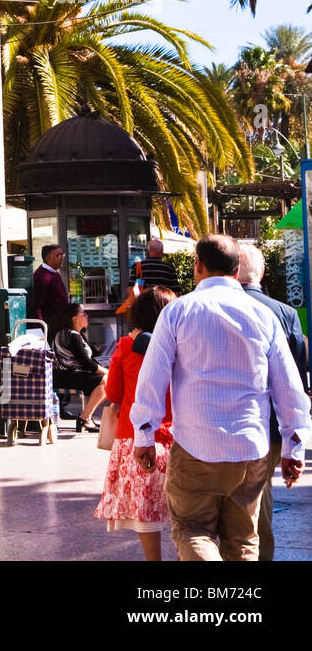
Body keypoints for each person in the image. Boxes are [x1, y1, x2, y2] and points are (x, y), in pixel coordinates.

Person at [131, 234, 311, 561]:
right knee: (243, 540)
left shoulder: (178, 312)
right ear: (237, 266)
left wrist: (144, 435)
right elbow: (290, 388)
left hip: (196, 446)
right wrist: (292, 446)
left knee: (191, 529)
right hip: (251, 448)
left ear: (198, 266)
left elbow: (152, 378)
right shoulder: (264, 317)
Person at [237, 242, 310, 560]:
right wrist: (294, 441)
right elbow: (294, 378)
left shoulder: (197, 307)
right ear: (262, 273)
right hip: (268, 425)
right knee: (259, 498)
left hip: (209, 427)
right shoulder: (285, 313)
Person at [94, 286, 175, 560]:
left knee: (146, 509)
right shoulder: (182, 344)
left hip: (135, 436)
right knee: (185, 511)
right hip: (178, 435)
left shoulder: (127, 346)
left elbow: (114, 392)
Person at [53, 303, 107, 432]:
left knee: (105, 379)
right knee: (108, 380)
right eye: (84, 313)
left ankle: (87, 417)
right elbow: (87, 364)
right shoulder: (72, 336)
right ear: (75, 319)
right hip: (67, 376)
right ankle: (85, 418)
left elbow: (90, 357)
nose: (87, 316)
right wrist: (108, 370)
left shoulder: (71, 334)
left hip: (67, 375)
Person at [31, 245, 70, 340]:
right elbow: (37, 306)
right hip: (50, 327)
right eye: (58, 255)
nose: (62, 258)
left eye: (63, 255)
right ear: (48, 258)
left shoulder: (53, 273)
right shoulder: (42, 277)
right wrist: (43, 328)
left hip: (58, 324)